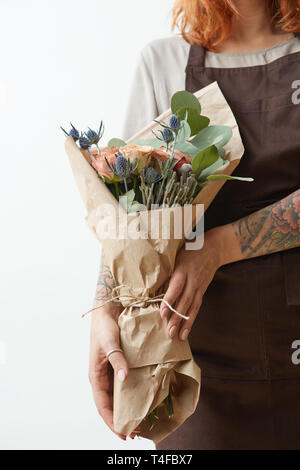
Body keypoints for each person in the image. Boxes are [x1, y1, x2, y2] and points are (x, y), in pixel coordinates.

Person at [89, 0, 300, 449]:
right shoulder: (162, 62)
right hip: (188, 360)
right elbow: (129, 212)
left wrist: (220, 247)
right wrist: (105, 308)